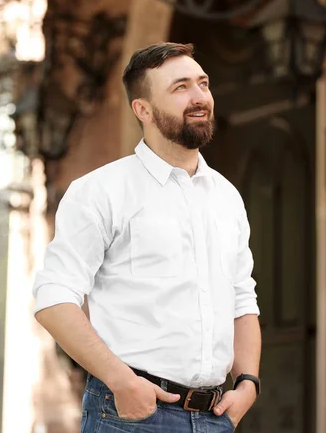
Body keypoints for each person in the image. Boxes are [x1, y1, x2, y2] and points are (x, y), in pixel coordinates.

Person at [33, 42, 261, 432]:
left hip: (216, 417)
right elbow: (53, 299)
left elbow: (242, 298)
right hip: (131, 415)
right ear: (143, 109)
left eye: (202, 84)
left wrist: (248, 383)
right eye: (180, 87)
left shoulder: (227, 197)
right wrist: (121, 381)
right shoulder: (100, 191)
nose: (198, 97)